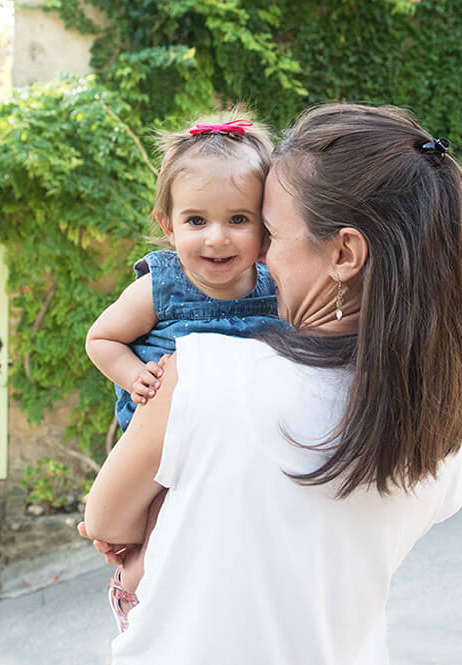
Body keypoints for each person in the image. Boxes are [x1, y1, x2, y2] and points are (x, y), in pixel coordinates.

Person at [79, 103, 462, 664]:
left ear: (344, 253)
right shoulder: (443, 419)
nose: (255, 253)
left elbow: (105, 520)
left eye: (266, 231)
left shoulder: (203, 376)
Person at [84, 110, 281, 631]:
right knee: (157, 523)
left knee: (208, 523)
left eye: (239, 219)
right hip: (162, 432)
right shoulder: (162, 284)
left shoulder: (275, 285)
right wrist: (132, 376)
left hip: (229, 434)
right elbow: (101, 338)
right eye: (197, 221)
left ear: (266, 228)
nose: (217, 238)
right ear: (168, 225)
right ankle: (130, 589)